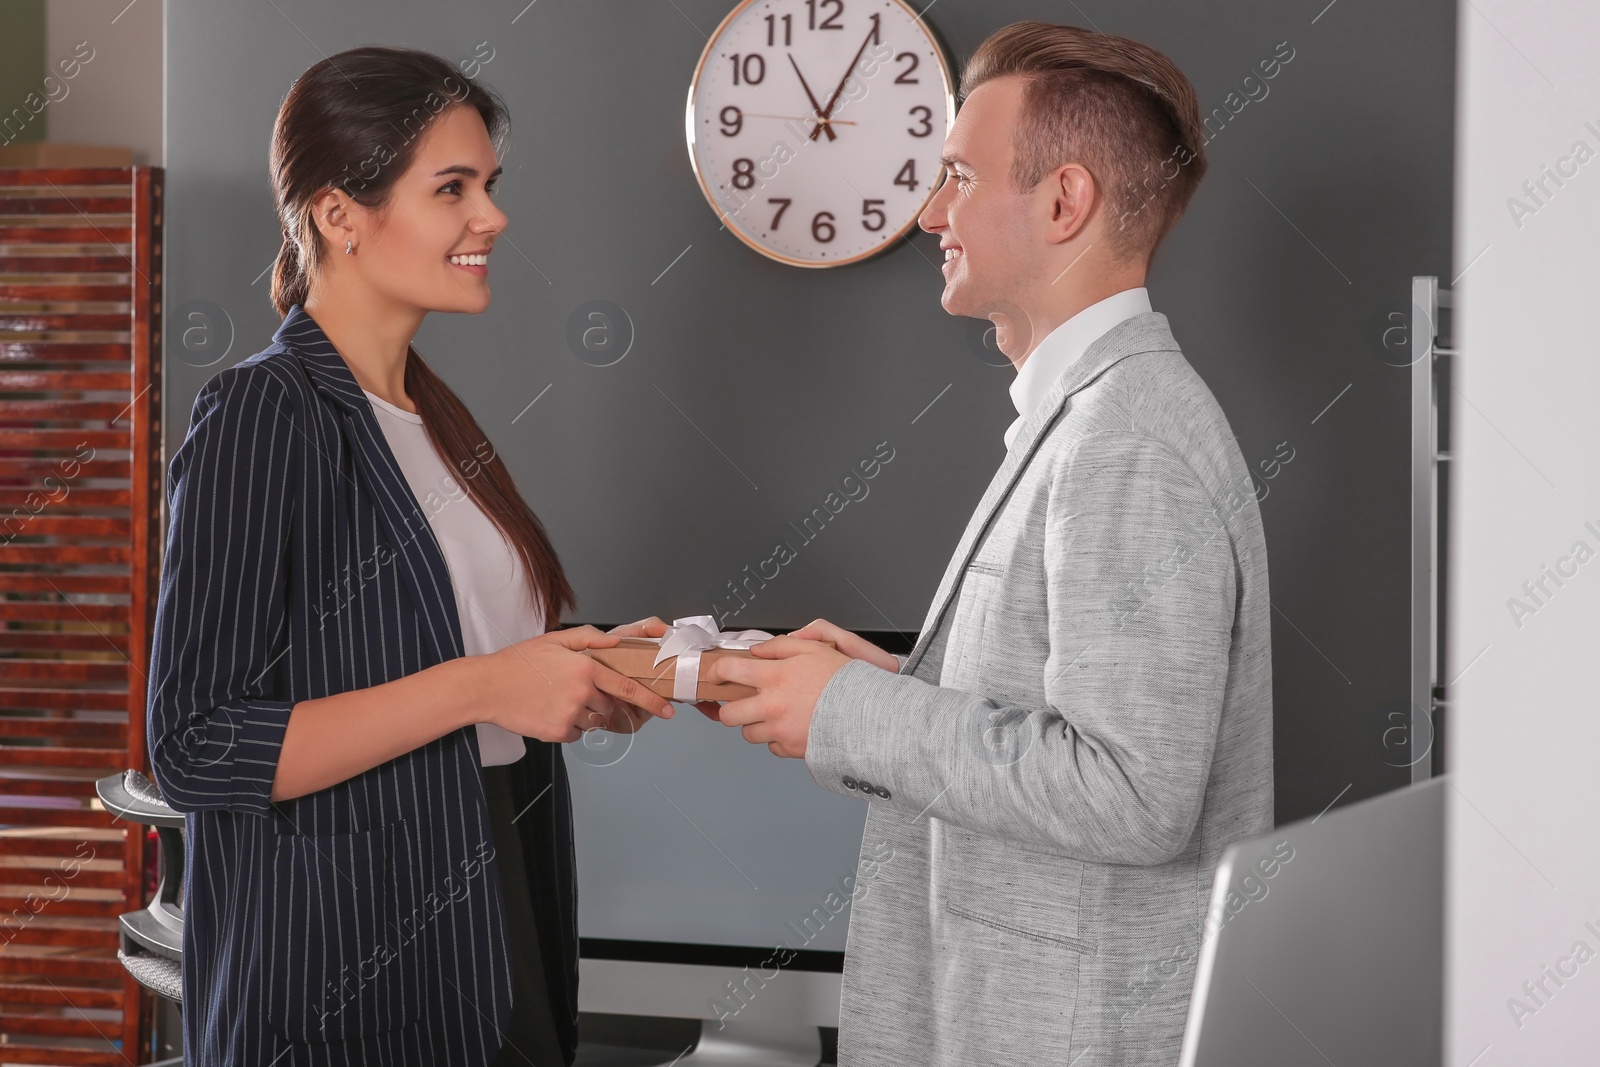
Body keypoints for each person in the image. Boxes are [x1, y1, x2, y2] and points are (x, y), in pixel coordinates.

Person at [701, 21, 1273, 1066]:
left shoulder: (1127, 440)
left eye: (957, 177)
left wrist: (854, 711)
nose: (932, 214)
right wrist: (884, 687)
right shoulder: (1091, 420)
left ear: (1063, 202)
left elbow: (1134, 793)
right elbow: (1062, 726)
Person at [145, 46, 673, 1067]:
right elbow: (197, 742)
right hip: (343, 954)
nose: (492, 216)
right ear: (341, 214)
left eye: (488, 185)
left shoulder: (435, 420)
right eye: (453, 188)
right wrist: (484, 684)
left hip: (494, 897)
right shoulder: (264, 412)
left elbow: (437, 648)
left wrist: (580, 667)